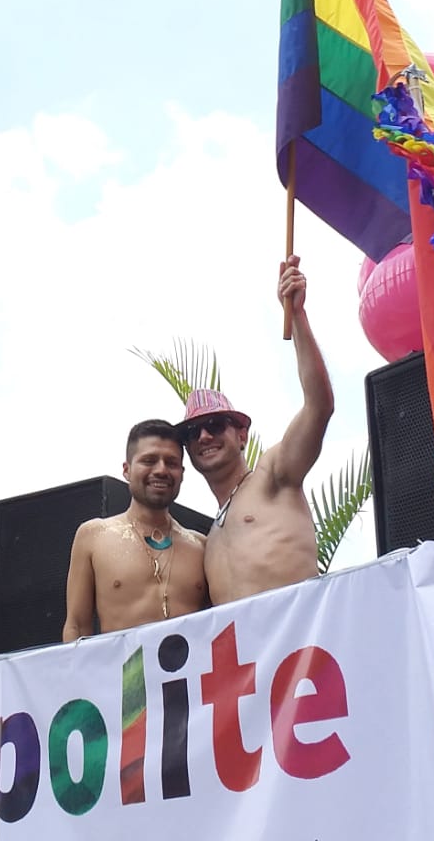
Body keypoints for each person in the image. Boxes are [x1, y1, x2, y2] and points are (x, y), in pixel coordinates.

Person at [179, 255, 334, 605]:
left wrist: (297, 318)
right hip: (248, 660)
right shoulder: (209, 540)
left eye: (215, 425)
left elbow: (319, 406)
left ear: (242, 434)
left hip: (304, 647)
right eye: (193, 432)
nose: (204, 436)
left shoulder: (273, 475)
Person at [63, 419, 207, 641]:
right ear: (127, 470)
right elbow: (77, 627)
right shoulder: (94, 537)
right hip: (125, 673)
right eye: (149, 460)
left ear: (181, 473)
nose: (161, 470)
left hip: (191, 671)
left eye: (171, 462)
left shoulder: (200, 546)